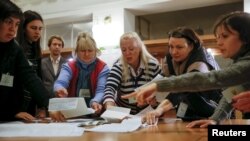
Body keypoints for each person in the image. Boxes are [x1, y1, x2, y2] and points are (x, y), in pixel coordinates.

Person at [122, 11, 250, 127]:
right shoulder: (239, 61)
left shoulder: (201, 63)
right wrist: (215, 119)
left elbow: (208, 79)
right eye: (170, 47)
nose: (219, 42)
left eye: (225, 36)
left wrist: (157, 87)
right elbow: (231, 93)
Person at [144, 27, 222, 125]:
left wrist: (159, 110)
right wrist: (152, 93)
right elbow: (164, 79)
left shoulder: (201, 62)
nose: (174, 52)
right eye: (171, 47)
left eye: (179, 47)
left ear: (191, 46)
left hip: (215, 113)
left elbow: (184, 87)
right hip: (188, 111)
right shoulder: (171, 58)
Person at [0, 0, 62, 122]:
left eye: (17, 24)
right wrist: (10, 112)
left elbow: (30, 77)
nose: (13, 29)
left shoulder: (14, 48)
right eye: (8, 22)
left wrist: (50, 105)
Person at [103, 31, 162, 115]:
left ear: (139, 48)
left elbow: (161, 89)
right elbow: (109, 87)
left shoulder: (152, 65)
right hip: (125, 116)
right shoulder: (118, 66)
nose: (127, 53)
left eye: (131, 49)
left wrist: (155, 101)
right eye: (124, 50)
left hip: (148, 114)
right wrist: (109, 104)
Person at [54, 32, 109, 114]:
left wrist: (95, 101)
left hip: (96, 113)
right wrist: (59, 89)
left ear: (95, 51)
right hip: (72, 113)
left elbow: (101, 90)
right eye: (83, 51)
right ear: (77, 51)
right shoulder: (69, 66)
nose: (86, 54)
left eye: (90, 50)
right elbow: (60, 83)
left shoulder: (103, 67)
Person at [15, 10, 45, 117]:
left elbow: (38, 80)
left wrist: (42, 107)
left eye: (40, 29)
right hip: (14, 106)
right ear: (23, 28)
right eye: (33, 28)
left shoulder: (36, 52)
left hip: (30, 106)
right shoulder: (15, 49)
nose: (37, 32)